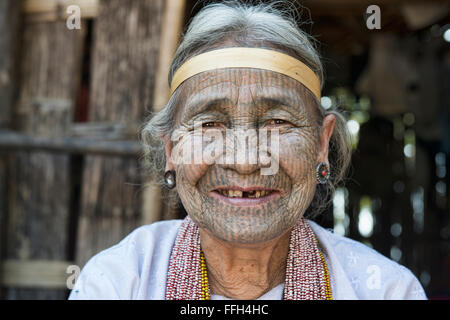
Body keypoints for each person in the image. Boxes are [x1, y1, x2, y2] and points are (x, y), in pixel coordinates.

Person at [69, 1, 426, 300]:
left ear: (321, 143)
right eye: (209, 124)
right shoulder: (117, 283)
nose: (244, 161)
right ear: (172, 148)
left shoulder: (386, 291)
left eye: (277, 123)